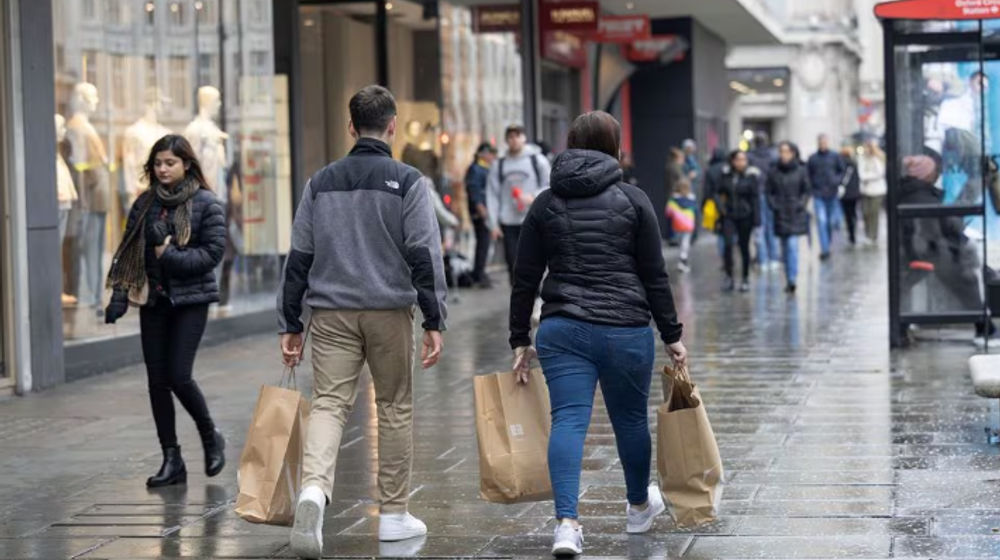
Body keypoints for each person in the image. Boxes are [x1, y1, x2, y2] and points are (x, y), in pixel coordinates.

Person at [278, 85, 448, 559]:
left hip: (330, 312)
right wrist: (435, 318)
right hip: (389, 311)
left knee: (330, 404)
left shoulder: (320, 182)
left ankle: (313, 492)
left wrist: (291, 322)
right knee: (393, 405)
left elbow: (300, 257)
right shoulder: (409, 181)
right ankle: (394, 516)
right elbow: (423, 255)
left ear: (350, 127)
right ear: (392, 126)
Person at [508, 111, 687, 557]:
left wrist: (519, 339)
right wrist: (672, 333)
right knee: (629, 421)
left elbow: (524, 276)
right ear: (616, 147)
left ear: (569, 144)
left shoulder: (546, 202)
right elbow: (655, 274)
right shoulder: (634, 199)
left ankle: (567, 525)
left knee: (568, 421)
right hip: (626, 328)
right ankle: (638, 507)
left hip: (562, 328)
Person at [103, 134, 227, 488]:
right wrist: (119, 295)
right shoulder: (144, 204)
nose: (162, 169)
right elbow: (127, 251)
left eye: (169, 163)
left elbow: (210, 255)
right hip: (155, 302)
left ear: (186, 164)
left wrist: (166, 253)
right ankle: (172, 459)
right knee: (157, 382)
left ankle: (210, 436)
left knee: (179, 375)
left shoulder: (206, 204)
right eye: (157, 163)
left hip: (191, 301)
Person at [898, 155, 995, 346]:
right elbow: (940, 232)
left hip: (923, 251)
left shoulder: (916, 193)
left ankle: (985, 324)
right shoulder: (923, 198)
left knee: (970, 268)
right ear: (925, 175)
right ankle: (985, 327)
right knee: (966, 277)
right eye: (934, 171)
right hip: (928, 254)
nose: (938, 174)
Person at [487, 125, 552, 284]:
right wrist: (493, 223)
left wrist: (532, 196)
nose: (514, 140)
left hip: (533, 219)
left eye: (517, 136)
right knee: (512, 263)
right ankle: (518, 298)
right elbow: (492, 194)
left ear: (524, 138)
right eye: (510, 137)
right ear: (506, 140)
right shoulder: (499, 165)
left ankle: (535, 295)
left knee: (533, 261)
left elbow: (550, 185)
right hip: (508, 221)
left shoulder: (537, 160)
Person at [767, 141, 811, 294]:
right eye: (781, 152)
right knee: (784, 248)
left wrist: (801, 204)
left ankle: (792, 278)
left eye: (786, 151)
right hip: (780, 213)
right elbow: (768, 192)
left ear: (792, 153)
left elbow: (806, 190)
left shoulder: (800, 170)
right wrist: (774, 205)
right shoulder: (773, 172)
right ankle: (788, 277)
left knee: (792, 246)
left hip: (795, 213)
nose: (783, 155)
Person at [716, 150, 761, 291]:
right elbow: (718, 192)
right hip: (729, 215)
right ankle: (729, 277)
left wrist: (756, 219)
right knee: (728, 245)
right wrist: (721, 208)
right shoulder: (726, 175)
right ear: (733, 161)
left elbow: (755, 198)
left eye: (743, 159)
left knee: (744, 247)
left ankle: (745, 278)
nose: (741, 162)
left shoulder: (751, 176)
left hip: (745, 216)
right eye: (738, 159)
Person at [807, 134, 845, 260]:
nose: (823, 144)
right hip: (818, 194)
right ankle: (825, 249)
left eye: (825, 142)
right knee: (821, 221)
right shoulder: (813, 158)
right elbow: (808, 175)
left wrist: (837, 181)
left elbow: (842, 171)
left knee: (830, 222)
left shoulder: (834, 156)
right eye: (821, 142)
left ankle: (827, 244)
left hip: (832, 193)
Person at [465, 141, 497, 288]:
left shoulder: (484, 168)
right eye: (489, 153)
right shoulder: (476, 169)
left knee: (484, 243)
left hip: (485, 211)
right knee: (483, 243)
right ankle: (479, 274)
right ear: (481, 154)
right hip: (480, 213)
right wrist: (482, 211)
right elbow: (474, 192)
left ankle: (480, 272)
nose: (492, 156)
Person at [747, 132, 780, 270]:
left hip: (758, 194)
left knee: (759, 227)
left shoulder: (750, 156)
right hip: (769, 193)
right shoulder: (773, 155)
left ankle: (763, 259)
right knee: (770, 227)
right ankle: (772, 258)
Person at [702, 147, 730, 260]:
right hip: (728, 202)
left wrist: (704, 204)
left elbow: (707, 191)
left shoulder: (710, 170)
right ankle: (728, 255)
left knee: (720, 231)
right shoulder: (728, 168)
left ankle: (724, 257)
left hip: (715, 203)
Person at [858, 139, 887, 245]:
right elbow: (861, 174)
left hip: (877, 190)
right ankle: (867, 234)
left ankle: (873, 235)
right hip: (865, 190)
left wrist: (874, 157)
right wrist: (869, 175)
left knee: (874, 213)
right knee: (865, 213)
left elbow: (880, 172)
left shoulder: (879, 157)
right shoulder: (862, 158)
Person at [666, 178, 697, 272]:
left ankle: (682, 260)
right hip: (688, 225)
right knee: (685, 242)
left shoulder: (673, 200)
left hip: (677, 225)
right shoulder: (692, 200)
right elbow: (696, 212)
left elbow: (668, 213)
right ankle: (683, 260)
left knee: (680, 242)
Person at [838, 142, 861, 247]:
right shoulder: (853, 163)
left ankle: (851, 232)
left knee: (847, 214)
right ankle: (853, 230)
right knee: (852, 213)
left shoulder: (841, 163)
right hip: (853, 193)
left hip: (845, 193)